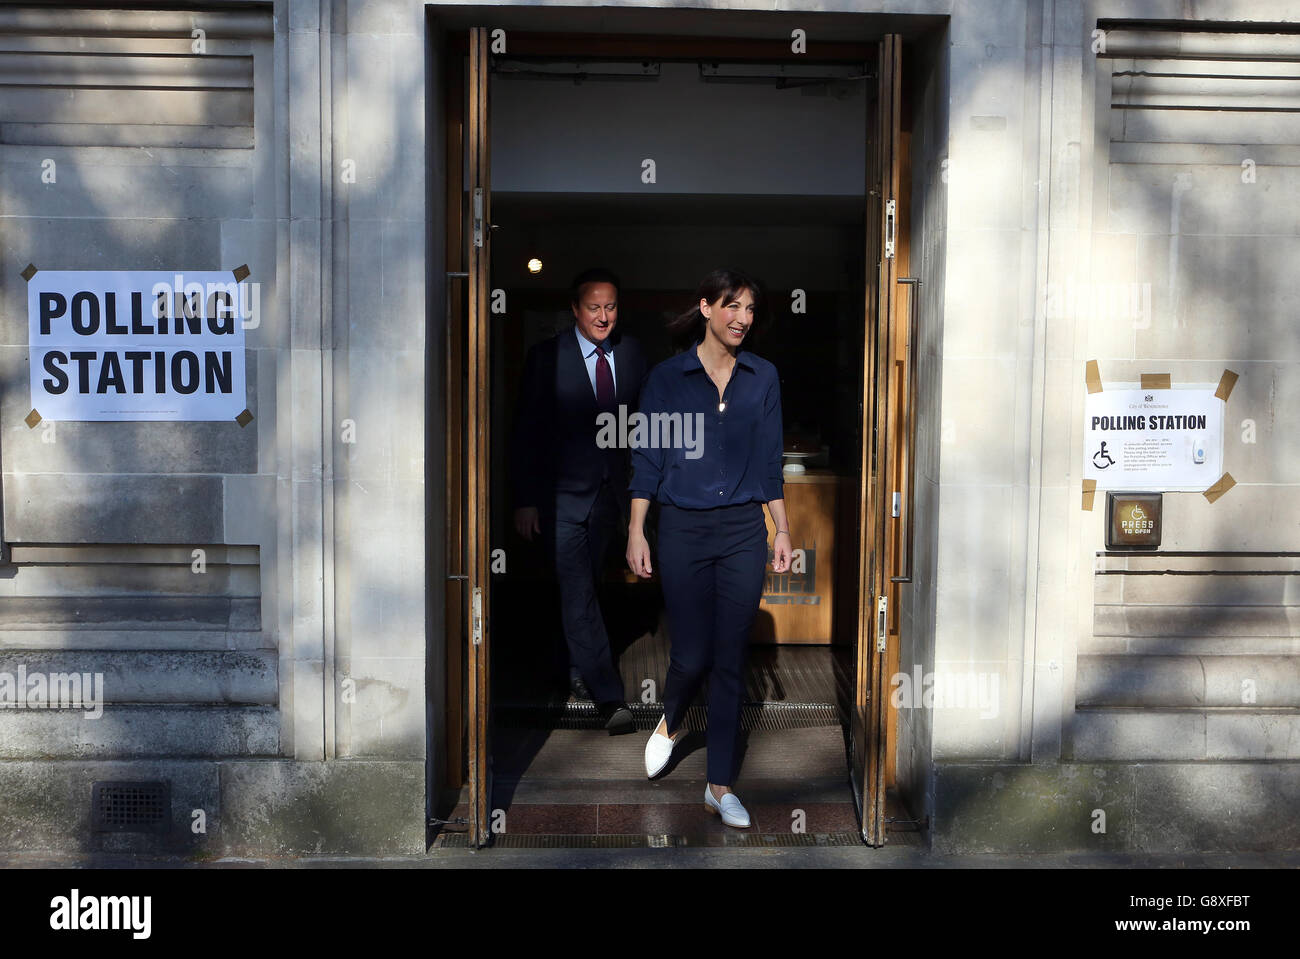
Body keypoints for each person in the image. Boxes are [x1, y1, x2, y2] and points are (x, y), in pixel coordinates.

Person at [625, 268, 791, 827]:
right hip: (682, 530)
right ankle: (672, 721)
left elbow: (771, 462)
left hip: (744, 530)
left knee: (729, 657)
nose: (742, 317)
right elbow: (647, 458)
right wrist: (635, 531)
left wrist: (783, 530)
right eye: (731, 306)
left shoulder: (762, 377)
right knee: (690, 652)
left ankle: (719, 786)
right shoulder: (667, 379)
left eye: (749, 308)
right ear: (705, 308)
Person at [511, 267, 647, 734]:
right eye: (594, 307)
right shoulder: (545, 357)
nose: (604, 316)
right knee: (576, 590)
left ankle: (572, 673)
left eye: (610, 307)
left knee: (589, 588)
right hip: (560, 499)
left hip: (611, 498)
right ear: (575, 310)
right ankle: (609, 697)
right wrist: (525, 500)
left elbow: (641, 429)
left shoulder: (631, 355)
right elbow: (527, 432)